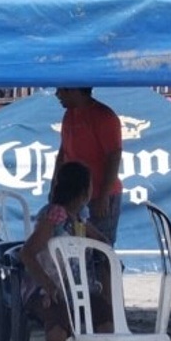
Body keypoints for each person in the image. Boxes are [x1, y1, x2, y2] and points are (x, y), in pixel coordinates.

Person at [19, 162, 113, 341]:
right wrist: (49, 287)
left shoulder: (78, 218)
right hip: (48, 290)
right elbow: (27, 254)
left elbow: (102, 242)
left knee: (105, 316)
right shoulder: (53, 217)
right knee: (59, 319)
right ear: (83, 191)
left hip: (79, 290)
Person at [53, 87, 123, 246]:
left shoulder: (104, 117)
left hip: (99, 195)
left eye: (61, 90)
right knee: (74, 248)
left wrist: (104, 195)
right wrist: (54, 187)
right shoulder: (69, 114)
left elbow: (114, 156)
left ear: (74, 90)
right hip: (73, 196)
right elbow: (63, 153)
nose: (57, 95)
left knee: (100, 248)